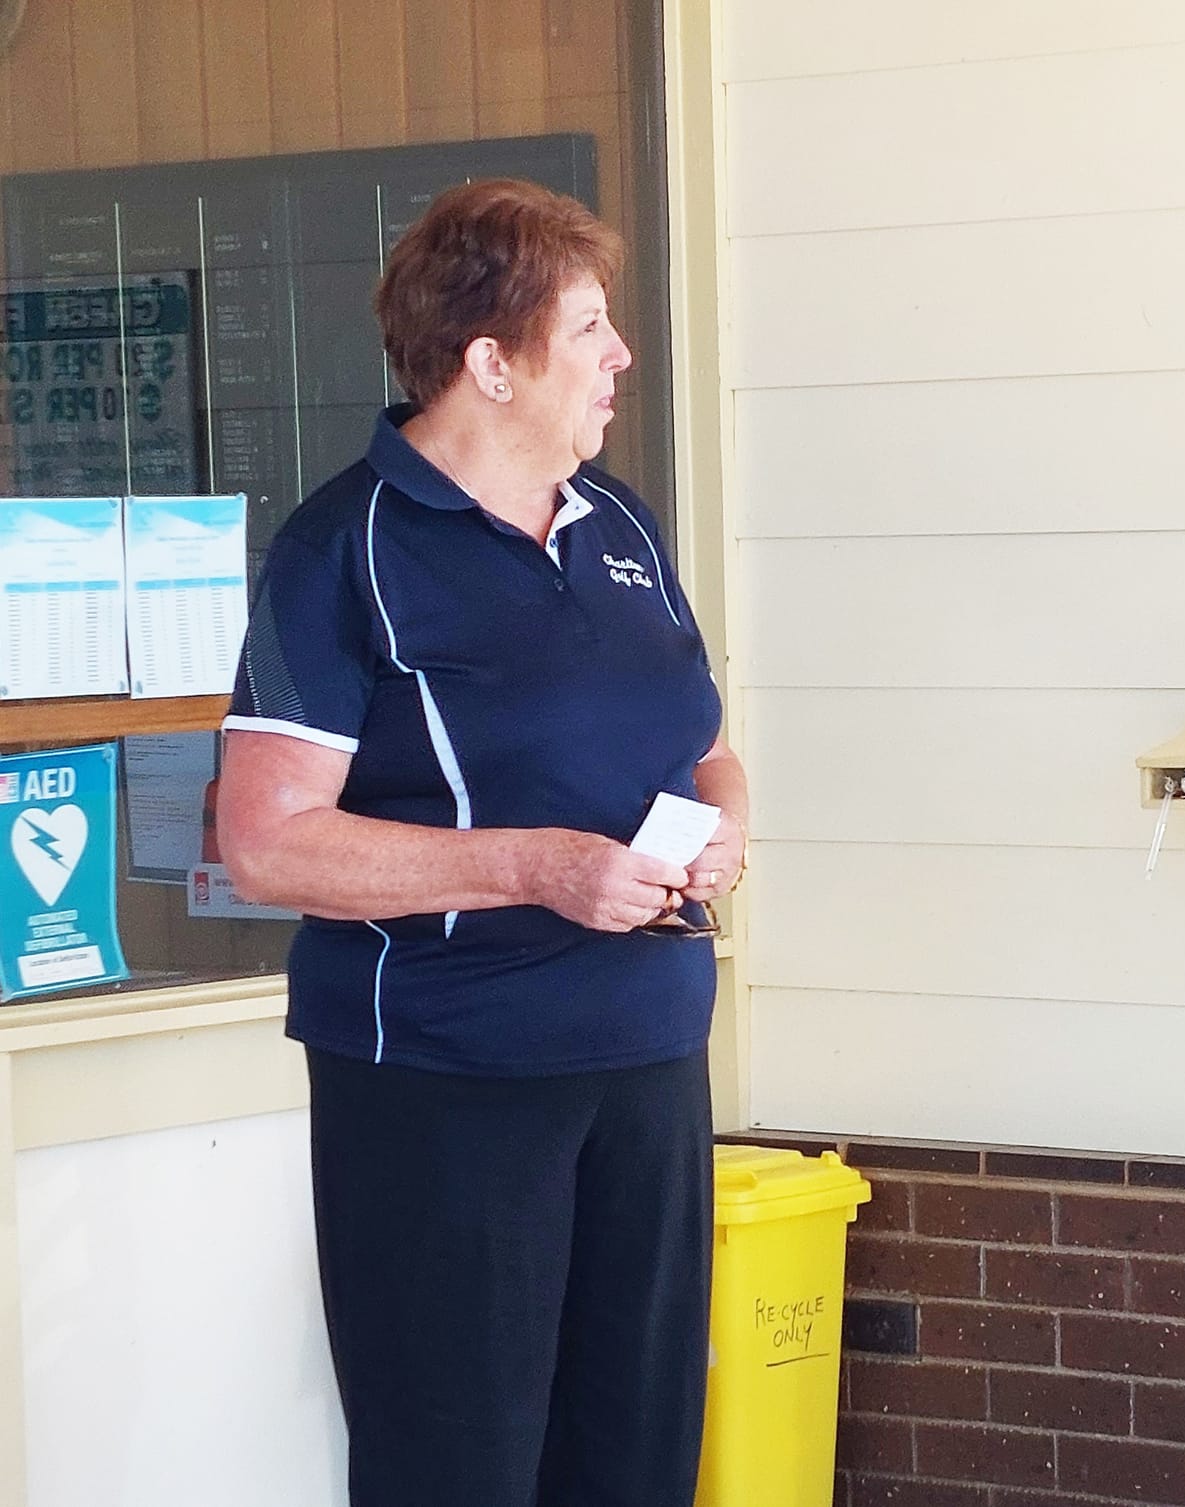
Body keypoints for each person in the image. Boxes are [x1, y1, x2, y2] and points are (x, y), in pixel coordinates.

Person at [215, 178, 743, 1507]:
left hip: (649, 1056)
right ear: (490, 364)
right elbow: (268, 845)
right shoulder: (346, 551)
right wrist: (531, 866)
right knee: (461, 1468)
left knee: (634, 1463)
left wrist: (724, 821)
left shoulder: (616, 522)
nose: (622, 356)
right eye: (589, 330)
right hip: (450, 1077)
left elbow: (705, 737)